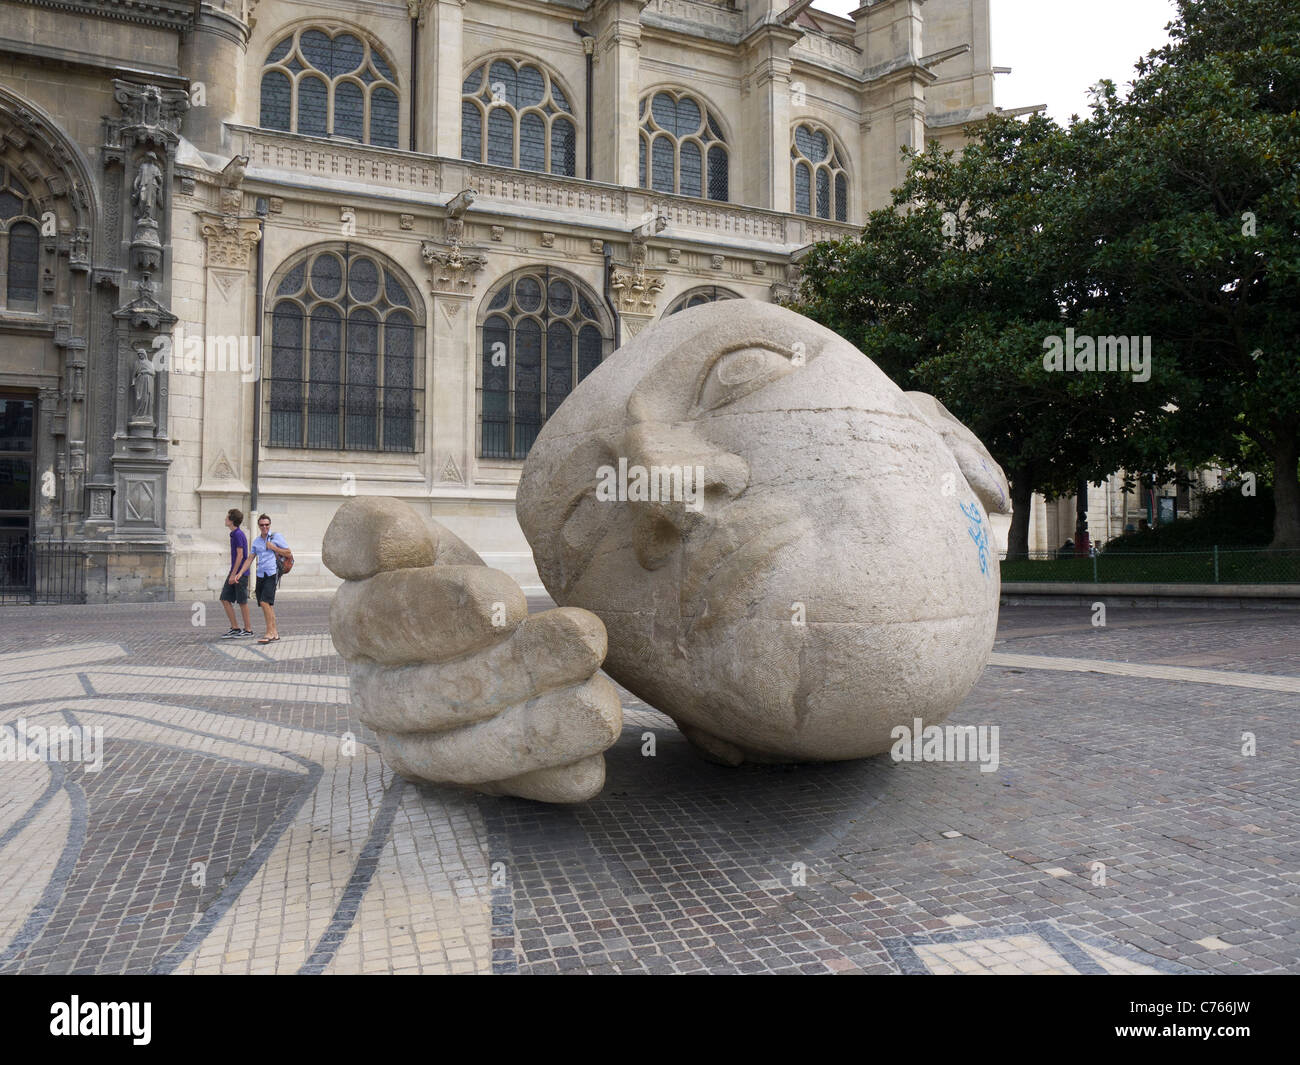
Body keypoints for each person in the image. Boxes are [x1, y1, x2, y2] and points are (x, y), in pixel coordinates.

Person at [249, 513, 290, 644]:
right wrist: (239, 573)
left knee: (264, 602)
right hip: (260, 574)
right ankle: (275, 633)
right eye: (262, 525)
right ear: (259, 526)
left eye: (267, 524)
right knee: (267, 605)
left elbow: (288, 552)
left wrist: (274, 547)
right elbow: (250, 558)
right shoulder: (257, 541)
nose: (264, 527)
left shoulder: (276, 537)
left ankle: (269, 632)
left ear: (270, 525)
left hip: (272, 573)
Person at [220, 508, 253, 638]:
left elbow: (240, 556)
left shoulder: (238, 534)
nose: (225, 519)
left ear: (231, 520)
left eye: (227, 517)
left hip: (240, 574)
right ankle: (235, 627)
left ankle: (248, 629)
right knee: (224, 598)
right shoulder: (234, 534)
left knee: (242, 601)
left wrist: (234, 574)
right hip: (235, 571)